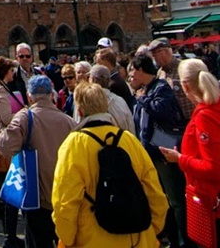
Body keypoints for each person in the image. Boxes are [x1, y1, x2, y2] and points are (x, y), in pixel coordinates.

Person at [52, 80, 168, 248]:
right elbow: (155, 191)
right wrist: (153, 229)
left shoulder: (74, 145)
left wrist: (67, 238)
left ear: (80, 110)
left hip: (92, 238)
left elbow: (65, 201)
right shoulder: (129, 140)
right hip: (137, 237)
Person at [0, 75, 73, 248]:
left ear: (30, 96)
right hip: (63, 198)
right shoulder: (68, 121)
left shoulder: (24, 117)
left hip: (36, 198)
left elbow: (5, 147)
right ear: (51, 95)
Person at [130, 53, 191, 248]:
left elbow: (163, 110)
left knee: (175, 201)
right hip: (151, 152)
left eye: (132, 72)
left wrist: (143, 100)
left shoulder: (160, 87)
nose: (131, 77)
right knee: (163, 199)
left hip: (163, 152)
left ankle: (184, 241)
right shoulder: (146, 90)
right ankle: (171, 238)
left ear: (140, 70)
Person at [159, 58, 220, 248]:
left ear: (185, 86)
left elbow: (213, 167)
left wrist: (180, 159)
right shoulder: (212, 108)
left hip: (211, 203)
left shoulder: (205, 116)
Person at [0, 57, 25, 248]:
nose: (13, 73)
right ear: (5, 71)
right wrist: (25, 113)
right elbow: (7, 118)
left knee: (2, 184)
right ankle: (10, 234)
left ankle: (8, 230)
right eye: (11, 70)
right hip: (5, 139)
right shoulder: (0, 89)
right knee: (12, 187)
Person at [149, 38, 196, 123]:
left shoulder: (185, 68)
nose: (154, 57)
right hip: (172, 125)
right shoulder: (160, 72)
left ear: (166, 52)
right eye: (152, 54)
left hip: (191, 121)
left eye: (156, 53)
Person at [88, 63, 136, 134]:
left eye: (89, 77)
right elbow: (131, 127)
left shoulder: (88, 103)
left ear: (92, 79)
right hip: (123, 142)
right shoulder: (120, 101)